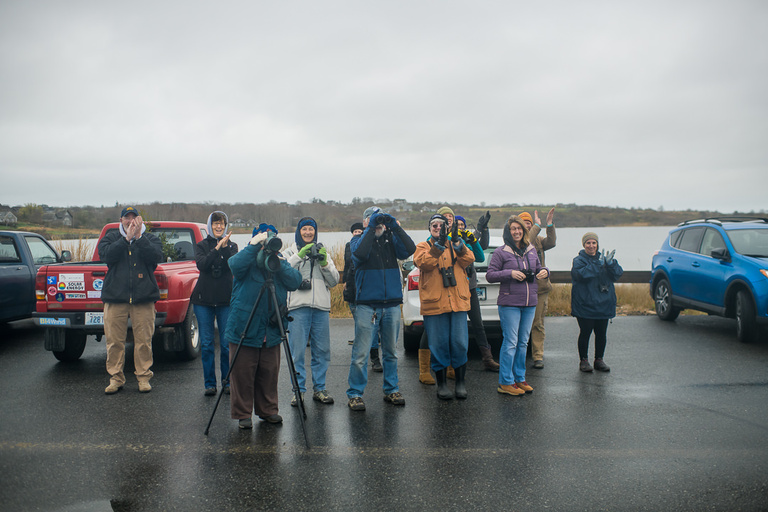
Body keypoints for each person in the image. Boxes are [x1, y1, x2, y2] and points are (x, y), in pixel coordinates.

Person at [225, 224, 302, 429]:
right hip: (245, 325)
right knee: (242, 373)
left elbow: (295, 282)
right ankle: (243, 413)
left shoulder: (278, 262)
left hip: (271, 328)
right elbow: (234, 265)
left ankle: (268, 410)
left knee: (269, 372)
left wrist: (278, 262)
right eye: (263, 239)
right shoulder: (246, 260)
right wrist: (253, 246)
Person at [347, 206, 416, 411]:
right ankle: (355, 394)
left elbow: (409, 249)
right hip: (367, 305)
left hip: (392, 303)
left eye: (379, 220)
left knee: (391, 352)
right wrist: (371, 228)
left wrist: (395, 227)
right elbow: (360, 255)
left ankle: (391, 389)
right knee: (361, 353)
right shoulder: (357, 241)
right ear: (365, 222)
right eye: (371, 219)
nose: (377, 223)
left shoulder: (391, 239)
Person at [98, 206, 163, 394]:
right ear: (121, 220)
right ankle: (115, 379)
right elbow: (106, 256)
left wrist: (138, 238)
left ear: (140, 220)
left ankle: (143, 378)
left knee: (144, 341)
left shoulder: (150, 239)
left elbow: (155, 257)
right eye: (127, 218)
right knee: (114, 342)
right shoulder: (111, 238)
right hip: (115, 298)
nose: (131, 221)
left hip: (143, 299)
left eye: (134, 218)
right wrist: (126, 239)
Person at [414, 214, 475, 400]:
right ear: (429, 228)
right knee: (438, 344)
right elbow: (424, 263)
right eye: (434, 225)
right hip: (435, 304)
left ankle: (460, 382)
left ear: (448, 228)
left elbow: (469, 259)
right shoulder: (423, 246)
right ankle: (441, 384)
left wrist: (457, 242)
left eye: (442, 225)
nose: (438, 228)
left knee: (460, 343)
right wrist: (439, 246)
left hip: (457, 302)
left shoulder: (456, 245)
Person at [486, 215, 548, 396]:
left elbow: (539, 268)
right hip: (510, 303)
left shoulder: (531, 249)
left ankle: (519, 378)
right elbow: (490, 275)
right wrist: (510, 273)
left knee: (523, 343)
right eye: (513, 228)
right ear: (508, 231)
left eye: (519, 228)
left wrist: (545, 271)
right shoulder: (501, 252)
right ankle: (505, 382)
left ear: (524, 230)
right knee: (511, 342)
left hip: (530, 303)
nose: (516, 231)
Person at [282, 217, 340, 406]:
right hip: (298, 308)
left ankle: (320, 389)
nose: (308, 232)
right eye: (304, 229)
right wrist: (300, 256)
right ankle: (298, 391)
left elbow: (334, 281)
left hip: (320, 308)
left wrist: (324, 263)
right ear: (298, 231)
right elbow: (282, 273)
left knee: (322, 351)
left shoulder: (324, 252)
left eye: (311, 229)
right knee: (297, 353)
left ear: (316, 232)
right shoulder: (289, 252)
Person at [191, 211, 238, 396]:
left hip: (225, 301)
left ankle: (227, 382)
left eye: (222, 223)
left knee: (226, 345)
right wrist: (217, 248)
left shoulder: (233, 246)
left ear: (226, 226)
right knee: (207, 344)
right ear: (210, 225)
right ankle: (209, 383)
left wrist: (224, 248)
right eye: (215, 223)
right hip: (203, 301)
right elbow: (202, 265)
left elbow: (233, 265)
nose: (219, 226)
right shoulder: (201, 245)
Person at [571, 232, 623, 373]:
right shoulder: (578, 261)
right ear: (584, 245)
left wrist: (611, 264)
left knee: (601, 333)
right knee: (585, 332)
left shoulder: (605, 260)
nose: (591, 246)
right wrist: (597, 264)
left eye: (594, 243)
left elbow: (617, 274)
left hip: (603, 303)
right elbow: (581, 275)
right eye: (588, 243)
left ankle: (599, 360)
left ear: (597, 244)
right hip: (585, 304)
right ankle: (584, 360)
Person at [519, 208, 557, 369]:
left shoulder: (539, 241)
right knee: (520, 324)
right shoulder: (517, 242)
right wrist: (536, 225)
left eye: (529, 223)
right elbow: (527, 241)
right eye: (525, 223)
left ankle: (538, 356)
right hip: (521, 289)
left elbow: (552, 242)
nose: (528, 226)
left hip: (540, 288)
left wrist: (549, 225)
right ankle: (520, 355)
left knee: (538, 324)